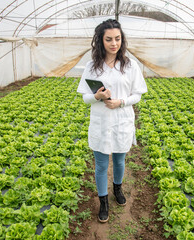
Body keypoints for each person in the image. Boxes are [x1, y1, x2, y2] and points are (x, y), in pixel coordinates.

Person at [77, 19, 147, 223]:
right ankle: (103, 202)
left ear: (122, 39)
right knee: (100, 165)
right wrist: (97, 97)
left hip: (122, 120)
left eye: (117, 38)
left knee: (118, 160)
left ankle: (117, 188)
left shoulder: (130, 65)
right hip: (101, 121)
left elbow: (138, 95)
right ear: (101, 40)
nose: (114, 43)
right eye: (109, 39)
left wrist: (121, 102)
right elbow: (85, 97)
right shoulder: (92, 66)